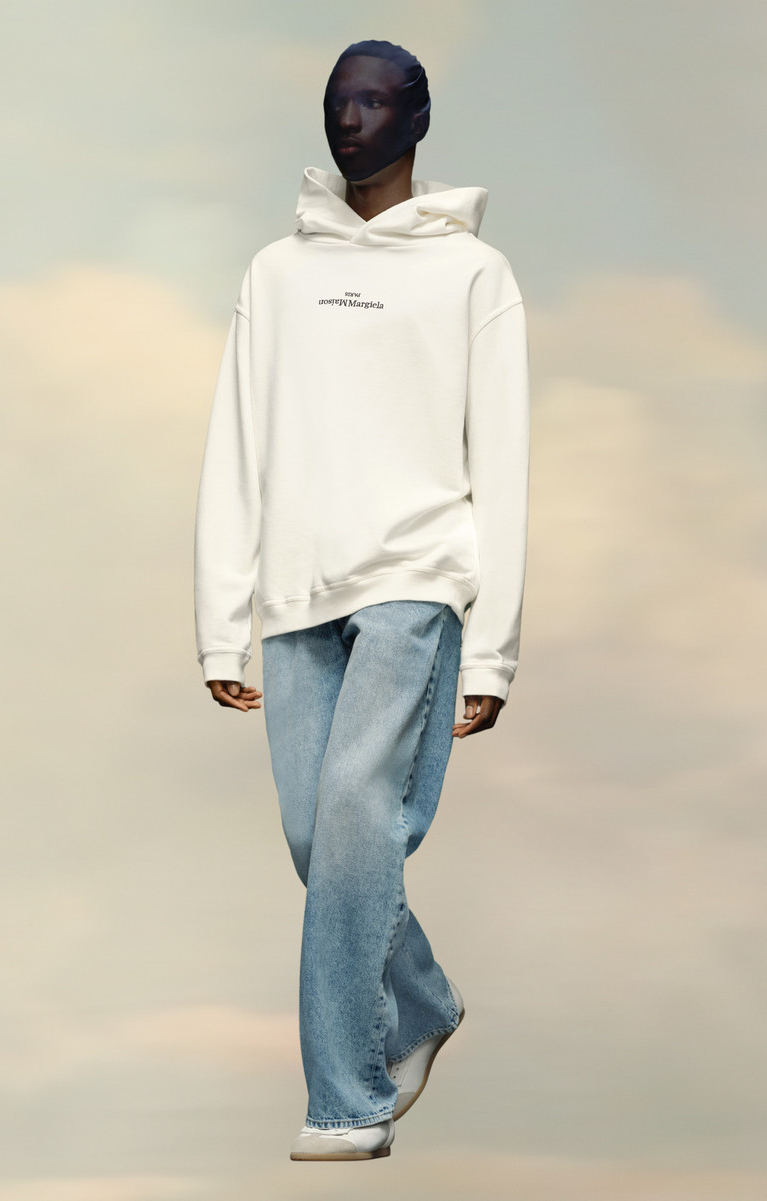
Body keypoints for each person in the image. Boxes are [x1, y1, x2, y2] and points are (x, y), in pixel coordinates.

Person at [193, 38, 530, 1162]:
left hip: (415, 583)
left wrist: (493, 647)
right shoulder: (275, 273)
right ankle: (420, 997)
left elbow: (504, 462)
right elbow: (237, 443)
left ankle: (345, 1100)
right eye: (338, 100)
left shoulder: (473, 275)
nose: (351, 119)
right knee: (319, 838)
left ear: (417, 118)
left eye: (375, 101)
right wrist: (221, 620)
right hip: (295, 592)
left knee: (351, 813)